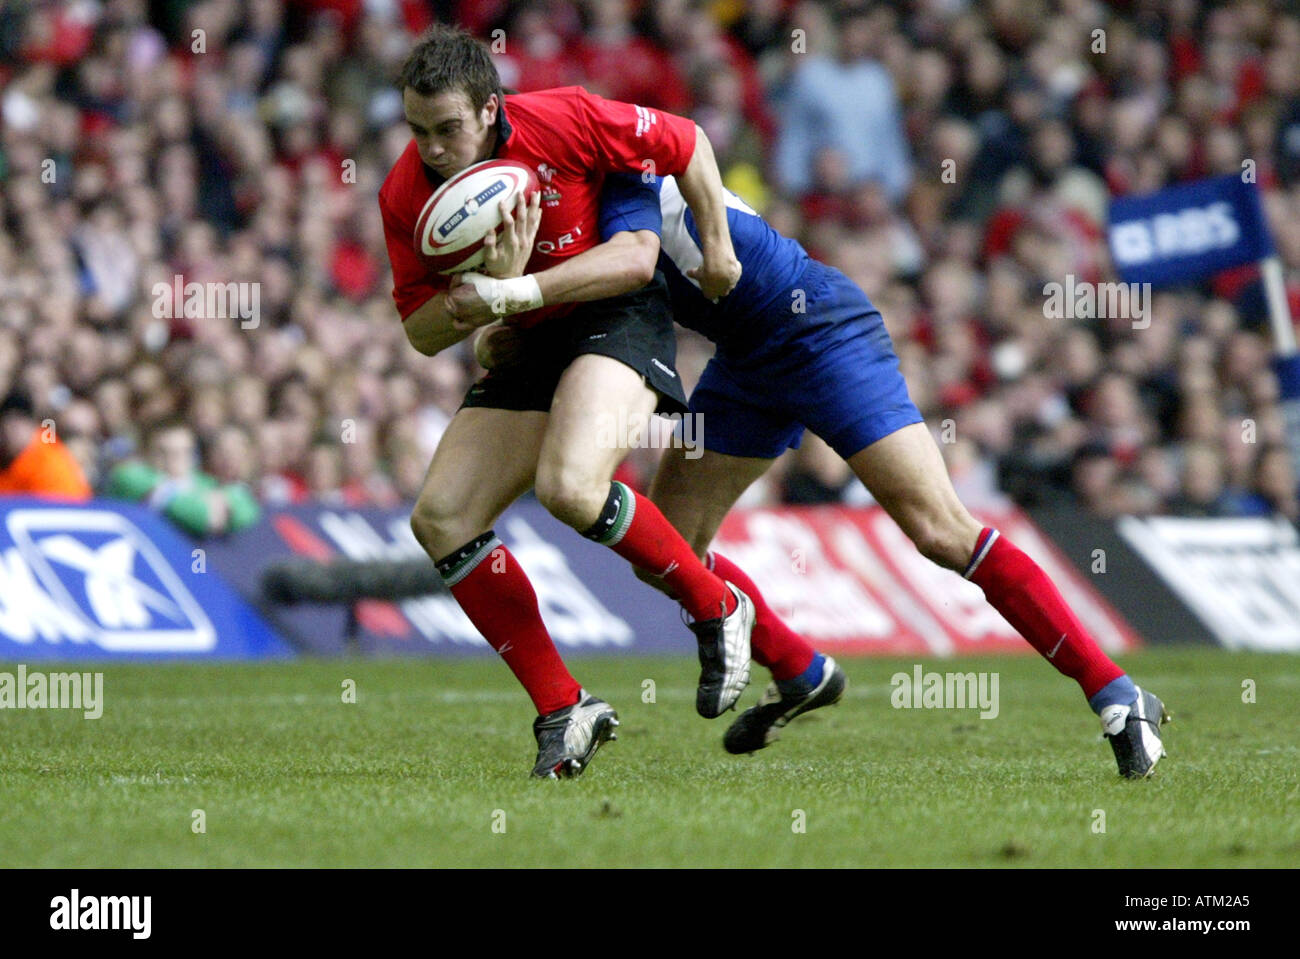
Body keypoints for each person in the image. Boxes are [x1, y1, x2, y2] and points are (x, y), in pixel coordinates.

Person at [451, 172, 1172, 780]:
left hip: (821, 332)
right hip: (746, 360)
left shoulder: (614, 184)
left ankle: (1116, 690)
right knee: (670, 544)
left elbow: (629, 264)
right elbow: (524, 337)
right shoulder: (565, 213)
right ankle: (799, 670)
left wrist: (514, 297)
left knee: (939, 530)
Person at [380, 26, 756, 779]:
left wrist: (717, 245)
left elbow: (686, 142)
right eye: (418, 131)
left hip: (616, 317)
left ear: (491, 109)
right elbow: (421, 333)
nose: (432, 149)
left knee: (570, 486)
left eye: (448, 128)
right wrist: (482, 300)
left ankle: (715, 603)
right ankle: (564, 706)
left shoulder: (566, 118)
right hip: (527, 337)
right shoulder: (406, 194)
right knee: (441, 517)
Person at [105, 420, 261, 536]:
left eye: (183, 452)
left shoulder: (208, 482)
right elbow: (204, 517)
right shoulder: (130, 478)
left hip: (195, 566)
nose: (174, 460)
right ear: (146, 453)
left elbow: (246, 510)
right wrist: (206, 505)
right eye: (163, 452)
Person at [0, 390, 92, 501]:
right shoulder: (9, 458)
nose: (8, 435)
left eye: (15, 427)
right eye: (4, 430)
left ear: (31, 425)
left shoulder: (48, 461)